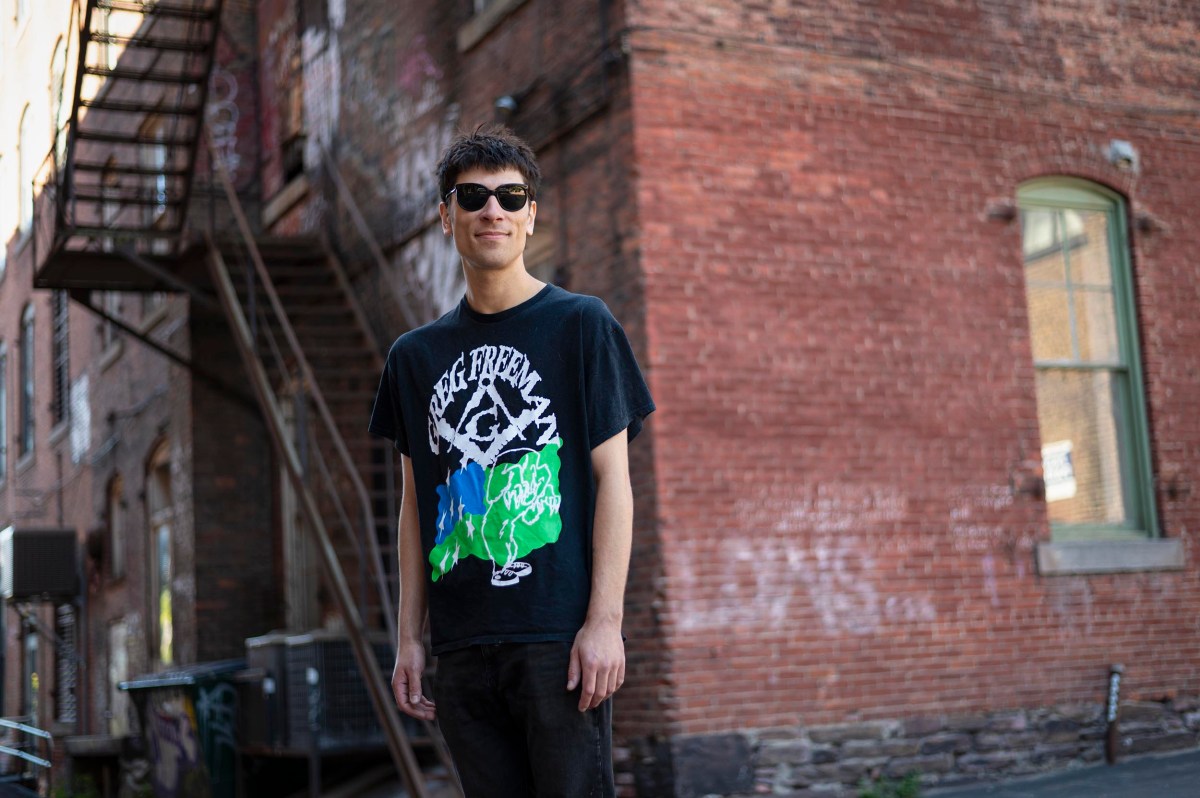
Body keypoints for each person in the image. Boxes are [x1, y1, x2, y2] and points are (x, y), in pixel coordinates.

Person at [368, 124, 655, 797]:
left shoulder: (582, 325)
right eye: (471, 198)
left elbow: (615, 481)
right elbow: (417, 505)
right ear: (446, 217)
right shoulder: (414, 357)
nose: (490, 210)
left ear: (531, 215)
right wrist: (411, 638)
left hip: (558, 641)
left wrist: (604, 624)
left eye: (509, 196)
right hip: (462, 647)